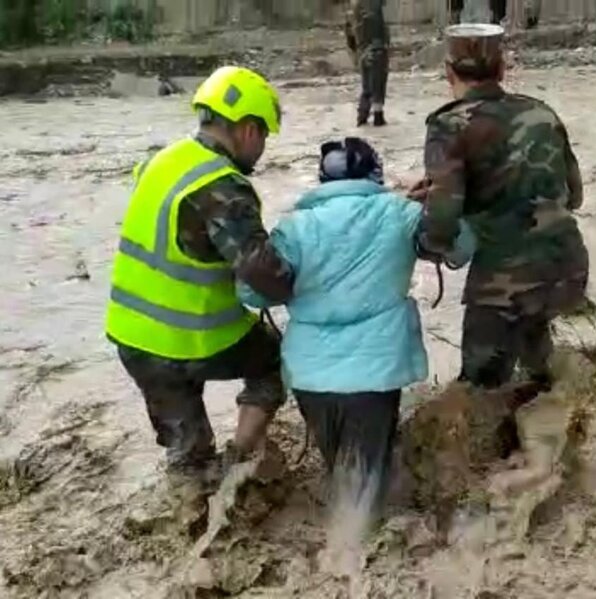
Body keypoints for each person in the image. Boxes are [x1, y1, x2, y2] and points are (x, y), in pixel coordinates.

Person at [238, 138, 474, 516]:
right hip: (375, 373)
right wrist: (438, 204)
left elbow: (252, 293)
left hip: (310, 375)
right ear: (375, 174)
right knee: (367, 480)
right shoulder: (401, 214)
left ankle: (341, 541)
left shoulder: (294, 227)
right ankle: (353, 551)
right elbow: (461, 249)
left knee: (339, 466)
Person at [105, 66, 293, 479]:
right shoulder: (223, 188)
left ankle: (190, 502)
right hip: (190, 339)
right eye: (264, 136)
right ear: (247, 129)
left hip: (132, 339)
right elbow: (266, 277)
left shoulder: (162, 160)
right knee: (275, 361)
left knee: (188, 452)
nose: (262, 148)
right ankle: (240, 456)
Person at [414, 24, 589, 393]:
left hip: (503, 283)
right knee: (539, 376)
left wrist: (426, 246)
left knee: (478, 393)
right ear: (502, 68)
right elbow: (574, 197)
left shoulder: (448, 125)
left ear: (448, 72)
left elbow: (443, 220)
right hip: (567, 267)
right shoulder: (542, 113)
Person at [345, 0, 390, 127]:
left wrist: (356, 52)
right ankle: (378, 117)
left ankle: (362, 117)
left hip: (363, 50)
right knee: (378, 84)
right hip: (376, 48)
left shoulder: (354, 7)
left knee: (367, 86)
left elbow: (350, 34)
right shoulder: (374, 6)